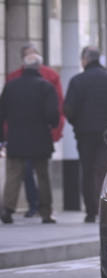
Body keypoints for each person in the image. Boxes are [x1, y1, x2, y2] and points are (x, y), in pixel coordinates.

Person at [63, 47, 107, 222]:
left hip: (85, 133)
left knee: (87, 170)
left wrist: (78, 124)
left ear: (85, 60)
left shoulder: (77, 81)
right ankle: (104, 208)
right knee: (103, 170)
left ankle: (90, 211)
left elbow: (69, 109)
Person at [4, 45, 63, 217]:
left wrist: (3, 136)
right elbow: (53, 113)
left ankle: (7, 209)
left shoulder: (11, 85)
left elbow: (2, 112)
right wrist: (52, 127)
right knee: (43, 175)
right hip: (40, 137)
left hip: (16, 136)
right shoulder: (46, 86)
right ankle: (45, 212)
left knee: (13, 174)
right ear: (39, 68)